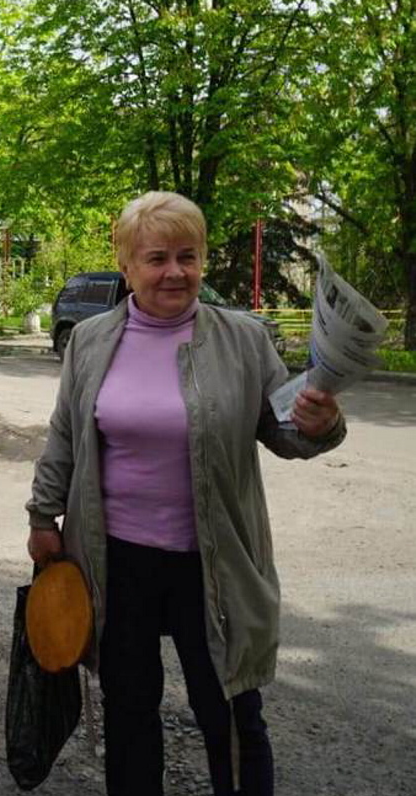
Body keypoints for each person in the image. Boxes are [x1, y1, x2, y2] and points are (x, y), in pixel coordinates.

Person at [25, 192, 346, 796]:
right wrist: (44, 514)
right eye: (156, 258)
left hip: (215, 560)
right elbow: (65, 435)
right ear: (126, 266)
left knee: (229, 711)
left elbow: (285, 433)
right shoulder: (92, 341)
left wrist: (318, 422)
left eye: (188, 256)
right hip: (117, 560)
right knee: (129, 710)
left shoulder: (245, 341)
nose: (174, 271)